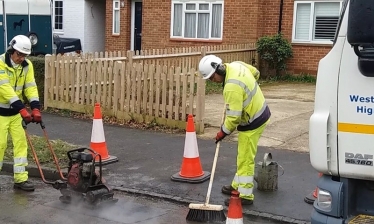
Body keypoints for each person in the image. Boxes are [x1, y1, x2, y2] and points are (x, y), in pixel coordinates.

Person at [198, 55, 271, 205]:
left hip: (254, 120)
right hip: (259, 111)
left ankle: (244, 195)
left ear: (219, 69)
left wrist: (222, 132)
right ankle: (236, 185)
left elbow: (234, 118)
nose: (213, 81)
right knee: (242, 155)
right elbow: (255, 73)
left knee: (245, 158)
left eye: (212, 78)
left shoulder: (232, 87)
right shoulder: (236, 65)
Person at [0, 35, 42, 191]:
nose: (21, 58)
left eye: (24, 55)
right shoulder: (0, 64)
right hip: (1, 114)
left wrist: (35, 107)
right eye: (19, 54)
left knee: (21, 145)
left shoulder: (27, 65)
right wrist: (23, 109)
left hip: (15, 114)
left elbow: (30, 87)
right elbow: (6, 90)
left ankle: (20, 179)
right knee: (0, 145)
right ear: (11, 50)